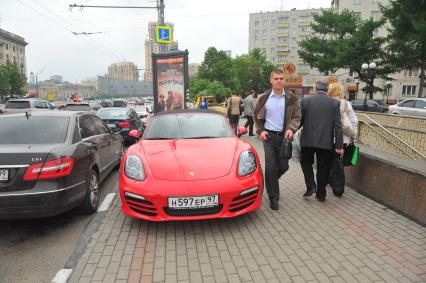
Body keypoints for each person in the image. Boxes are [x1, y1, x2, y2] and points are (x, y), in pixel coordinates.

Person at [253, 69, 301, 210]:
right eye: (276, 78)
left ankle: (271, 180)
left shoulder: (291, 98)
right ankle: (273, 197)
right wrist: (261, 131)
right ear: (271, 80)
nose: (279, 81)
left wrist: (291, 129)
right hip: (268, 136)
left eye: (281, 78)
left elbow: (297, 117)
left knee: (284, 166)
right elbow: (256, 116)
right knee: (270, 166)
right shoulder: (264, 98)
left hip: (285, 137)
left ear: (284, 80)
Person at [299, 79, 344, 202]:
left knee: (305, 162)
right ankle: (321, 194)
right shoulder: (335, 103)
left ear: (315, 89)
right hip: (325, 141)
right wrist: (339, 145)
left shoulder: (306, 100)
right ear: (327, 90)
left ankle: (311, 185)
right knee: (323, 167)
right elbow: (338, 125)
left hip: (307, 140)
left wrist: (291, 131)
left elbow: (300, 121)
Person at [327, 82, 358, 197]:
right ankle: (338, 188)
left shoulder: (327, 103)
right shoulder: (346, 104)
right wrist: (352, 136)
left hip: (327, 139)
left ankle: (326, 181)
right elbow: (354, 121)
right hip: (343, 139)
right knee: (338, 163)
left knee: (326, 162)